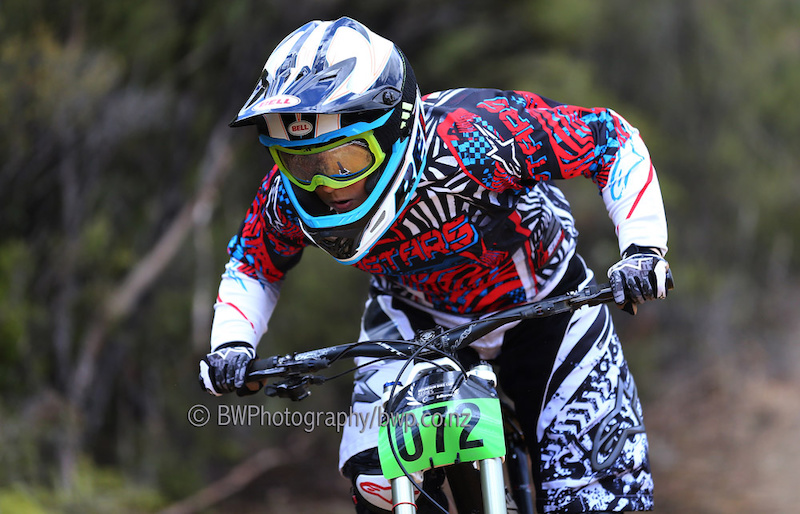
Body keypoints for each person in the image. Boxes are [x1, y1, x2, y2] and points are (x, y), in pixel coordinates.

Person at [199, 16, 672, 514]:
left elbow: (612, 139)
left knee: (597, 497)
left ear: (394, 128)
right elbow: (253, 261)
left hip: (550, 307)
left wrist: (642, 250)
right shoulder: (285, 199)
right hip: (411, 325)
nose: (324, 188)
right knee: (378, 482)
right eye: (301, 163)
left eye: (342, 163)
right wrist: (231, 343)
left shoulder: (480, 136)